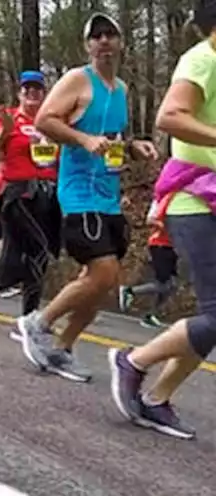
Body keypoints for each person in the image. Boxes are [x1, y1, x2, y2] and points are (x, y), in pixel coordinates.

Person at [20, 13, 159, 381]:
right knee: (103, 271)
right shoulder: (78, 79)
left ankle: (62, 349)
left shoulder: (122, 90)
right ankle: (38, 322)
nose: (103, 41)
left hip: (108, 195)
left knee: (103, 283)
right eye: (96, 36)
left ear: (120, 42)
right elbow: (45, 120)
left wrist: (133, 147)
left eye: (109, 34)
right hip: (79, 193)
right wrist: (82, 140)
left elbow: (109, 139)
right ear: (87, 45)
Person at [108, 1, 216, 440]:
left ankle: (156, 398)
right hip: (195, 200)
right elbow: (169, 117)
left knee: (213, 317)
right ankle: (131, 362)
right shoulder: (203, 59)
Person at [0, 70, 62, 330]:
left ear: (44, 93)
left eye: (37, 89)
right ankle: (15, 310)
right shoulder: (10, 119)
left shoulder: (53, 121)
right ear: (20, 93)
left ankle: (20, 313)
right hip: (19, 193)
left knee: (23, 259)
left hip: (48, 193)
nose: (32, 93)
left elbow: (63, 156)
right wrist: (3, 133)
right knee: (38, 252)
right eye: (27, 89)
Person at [118, 207, 178, 329]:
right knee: (164, 284)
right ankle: (129, 291)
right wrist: (166, 226)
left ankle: (151, 315)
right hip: (160, 245)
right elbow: (151, 220)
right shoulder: (167, 200)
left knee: (172, 285)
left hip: (171, 247)